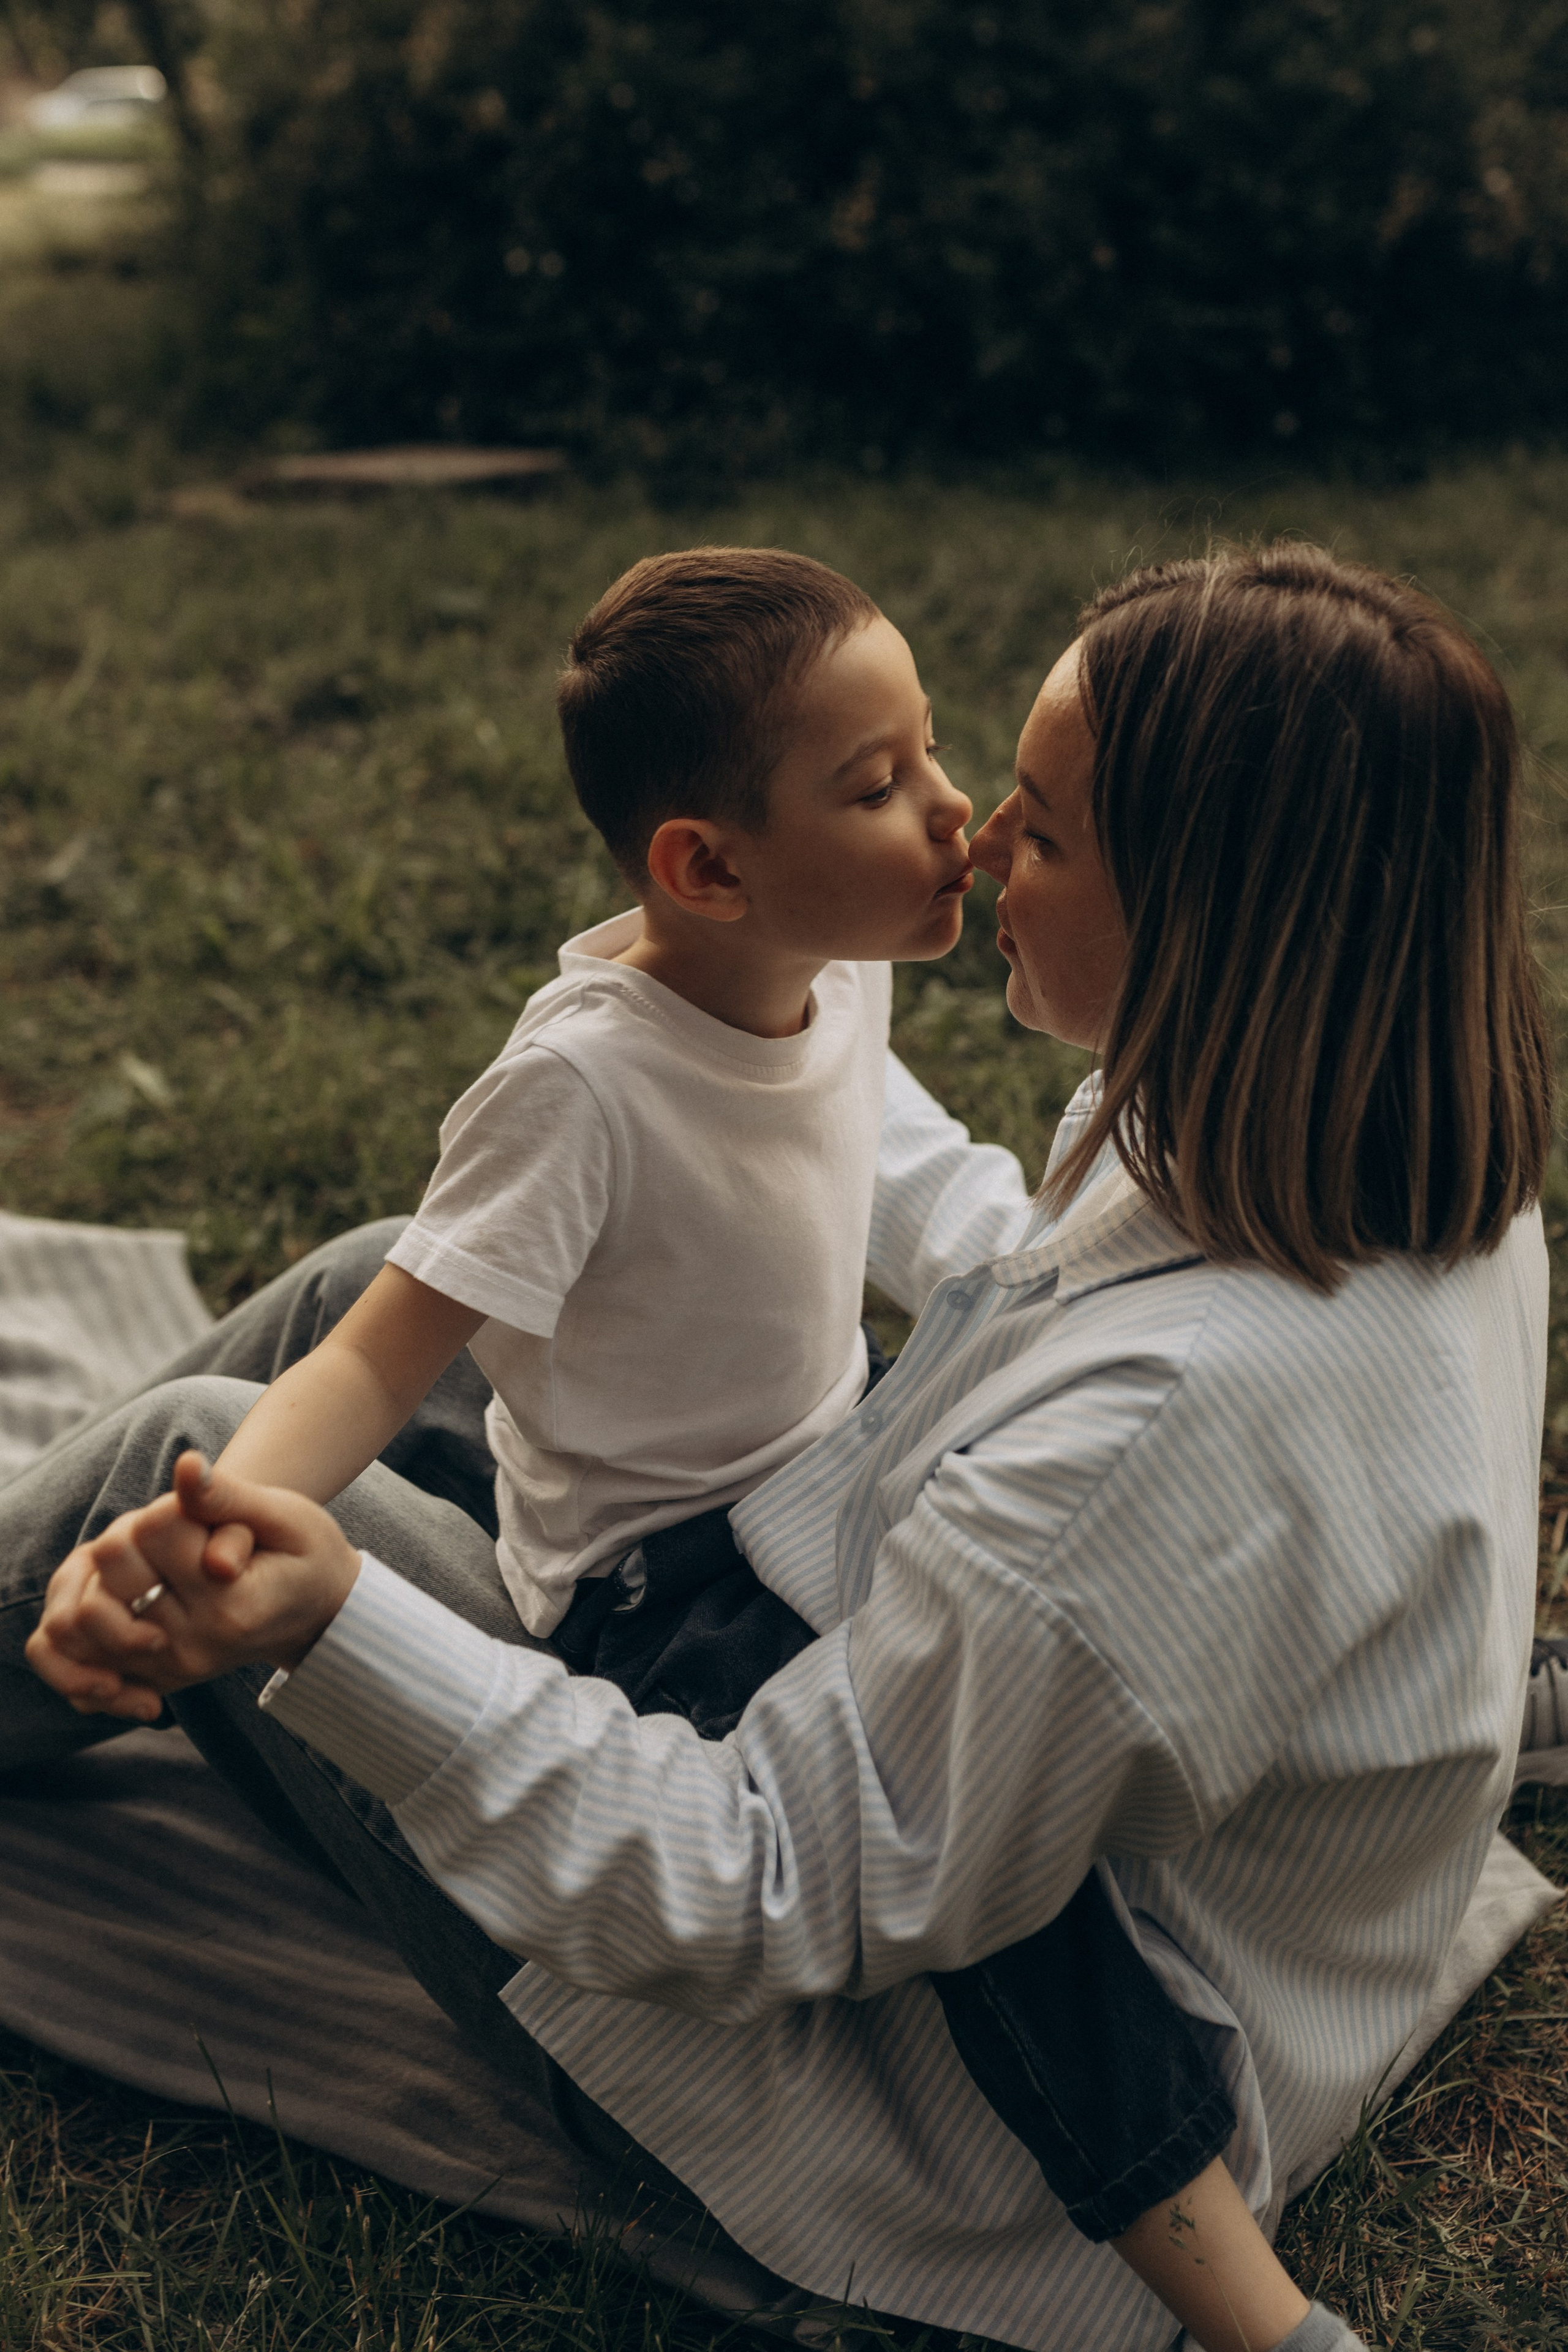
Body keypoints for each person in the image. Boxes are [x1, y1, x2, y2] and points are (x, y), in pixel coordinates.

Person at [19, 541, 1552, 2351]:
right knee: (381, 1290)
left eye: (1045, 834)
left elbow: (758, 1880)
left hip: (873, 2120)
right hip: (1116, 1850)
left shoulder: (1144, 1454)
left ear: (1213, 915)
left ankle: (94, 1600)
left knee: (204, 1459)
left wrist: (335, 1617)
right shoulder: (1379, 1160)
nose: (978, 841)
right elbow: (1005, 1263)